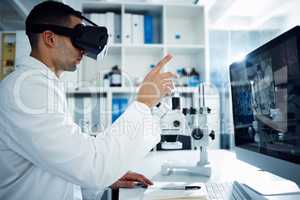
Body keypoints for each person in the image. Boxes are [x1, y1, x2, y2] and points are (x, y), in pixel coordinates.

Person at [0, 1, 175, 200]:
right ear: (50, 38)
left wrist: (106, 179)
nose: (84, 49)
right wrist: (144, 103)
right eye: (78, 37)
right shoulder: (26, 89)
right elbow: (91, 166)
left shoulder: (40, 85)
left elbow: (61, 162)